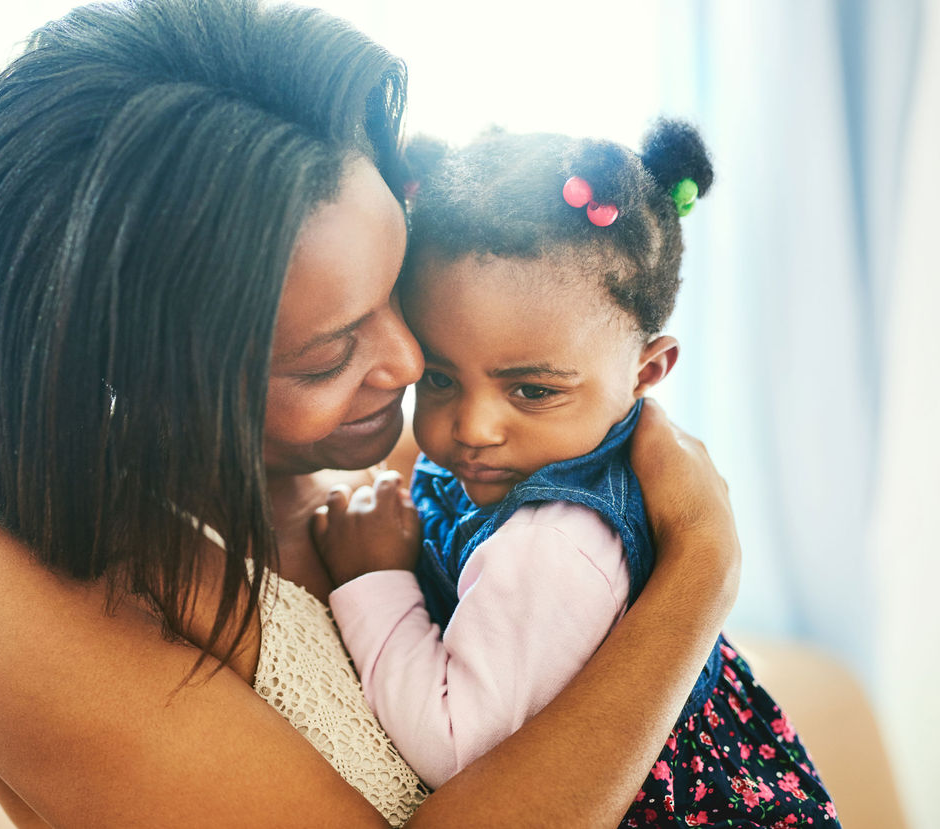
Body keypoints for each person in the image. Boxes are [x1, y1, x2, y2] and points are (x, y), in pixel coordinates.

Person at [0, 0, 743, 827]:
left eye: (400, 291)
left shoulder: (445, 469)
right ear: (150, 369)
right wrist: (700, 573)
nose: (412, 361)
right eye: (330, 352)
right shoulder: (13, 579)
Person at [315, 122, 840, 824]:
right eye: (438, 377)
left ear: (647, 372)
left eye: (532, 390)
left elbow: (455, 745)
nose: (473, 427)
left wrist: (372, 579)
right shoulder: (517, 464)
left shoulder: (556, 542)